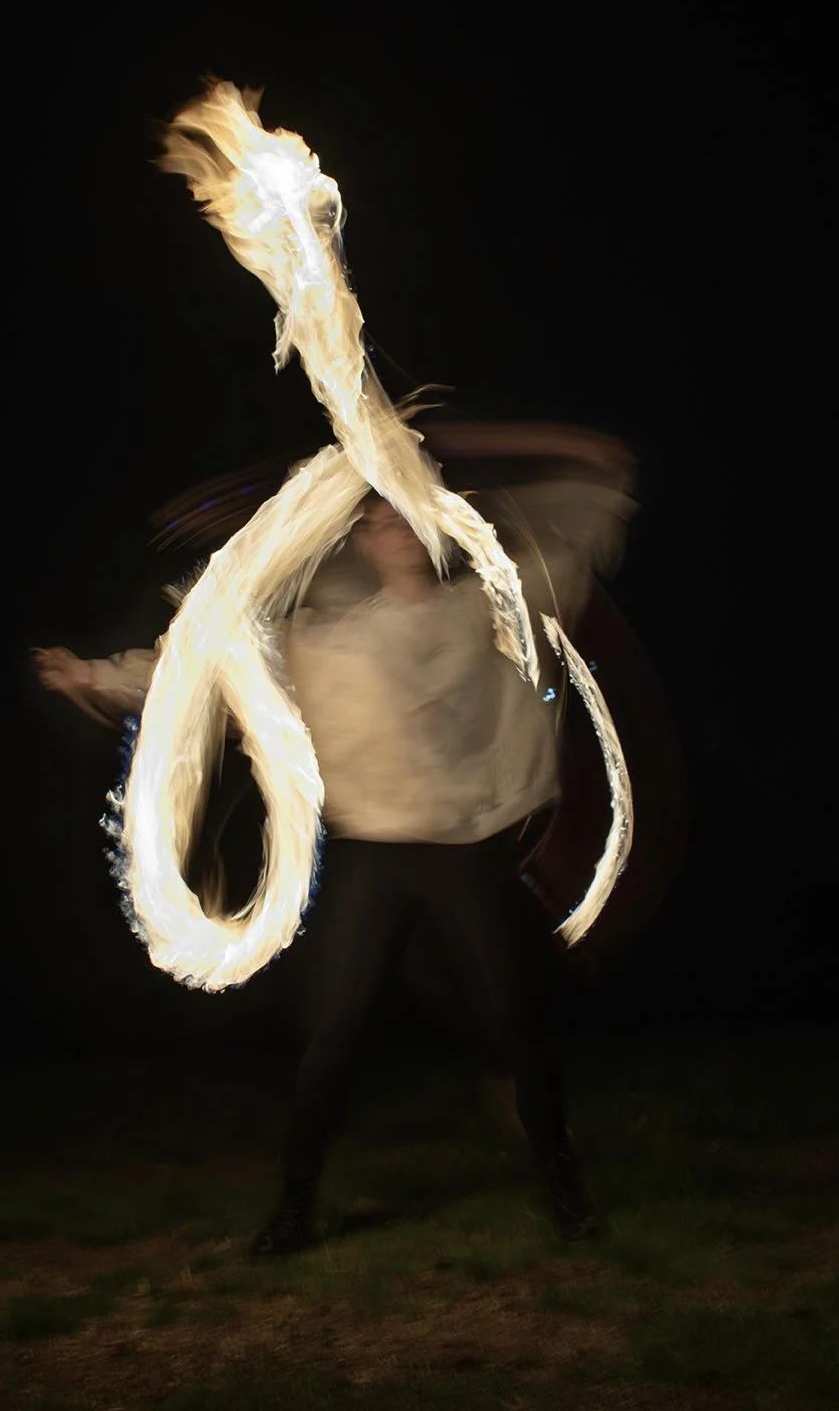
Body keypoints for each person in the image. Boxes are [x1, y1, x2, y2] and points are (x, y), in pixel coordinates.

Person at [35, 423, 636, 1256]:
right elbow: (204, 664)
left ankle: (565, 1196)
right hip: (374, 855)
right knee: (333, 1031)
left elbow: (582, 527)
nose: (391, 526)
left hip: (462, 850)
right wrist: (96, 678)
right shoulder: (327, 638)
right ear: (360, 538)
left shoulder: (488, 610)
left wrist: (564, 460)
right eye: (376, 518)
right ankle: (291, 1210)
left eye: (404, 515)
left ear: (430, 530)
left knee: (514, 1023)